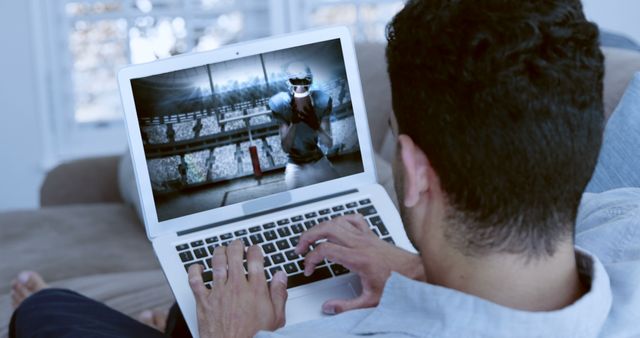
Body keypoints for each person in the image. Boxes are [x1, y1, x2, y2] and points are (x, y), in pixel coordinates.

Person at [9, 0, 640, 337]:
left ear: (414, 171)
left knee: (48, 315)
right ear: (581, 145)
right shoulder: (624, 222)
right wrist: (417, 268)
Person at [268, 61, 339, 189]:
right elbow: (286, 148)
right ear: (288, 82)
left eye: (305, 80)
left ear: (311, 80)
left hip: (318, 159)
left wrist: (316, 126)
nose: (301, 86)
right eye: (296, 80)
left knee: (341, 189)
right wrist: (294, 123)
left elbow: (328, 143)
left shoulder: (321, 100)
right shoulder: (282, 104)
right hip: (295, 163)